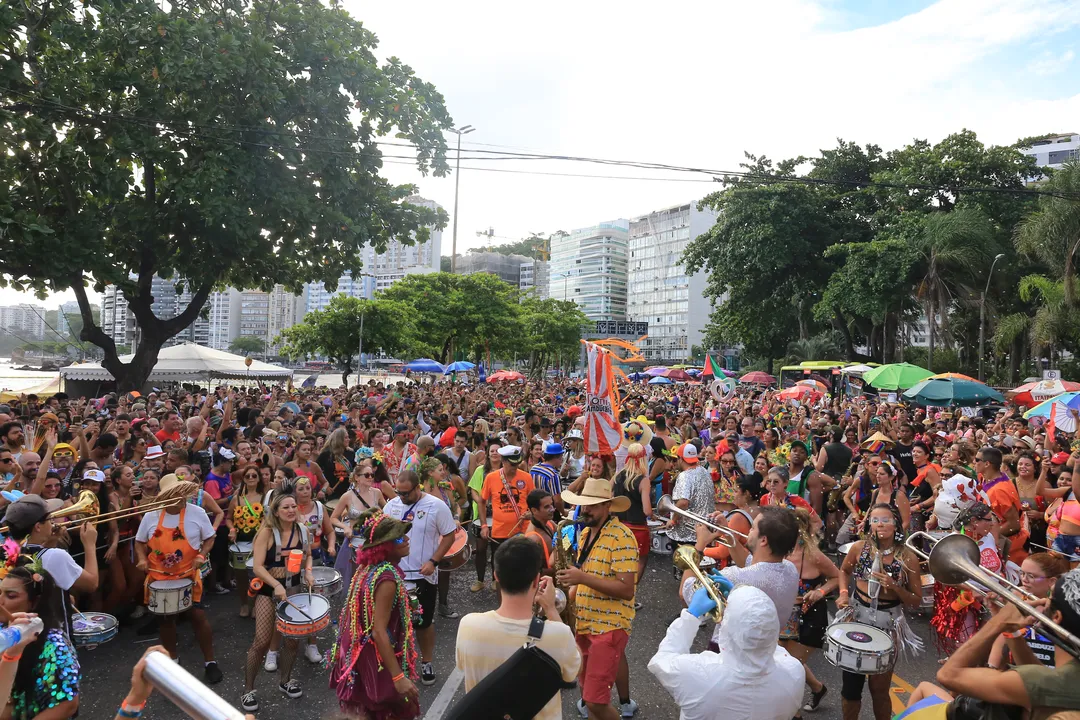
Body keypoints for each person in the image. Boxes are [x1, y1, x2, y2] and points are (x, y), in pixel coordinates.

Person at [455, 536, 581, 720]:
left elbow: (462, 666)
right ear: (536, 580)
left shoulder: (468, 625)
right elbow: (576, 671)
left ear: (496, 576)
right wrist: (552, 610)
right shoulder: (558, 634)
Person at [933, 567, 1080, 719]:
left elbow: (948, 675)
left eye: (1050, 596)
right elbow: (1038, 680)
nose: (1045, 599)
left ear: (1056, 617)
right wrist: (1012, 631)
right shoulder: (1060, 677)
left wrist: (999, 622)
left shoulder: (1052, 681)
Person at [648, 584, 804, 720]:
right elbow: (761, 639)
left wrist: (691, 615)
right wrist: (739, 602)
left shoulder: (698, 675)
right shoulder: (794, 671)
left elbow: (662, 659)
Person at [329, 509, 421, 720]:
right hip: (377, 656)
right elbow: (379, 631)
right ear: (384, 546)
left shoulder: (366, 568)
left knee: (369, 710)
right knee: (387, 709)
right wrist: (398, 677)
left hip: (362, 653)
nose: (406, 539)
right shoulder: (387, 577)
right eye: (399, 537)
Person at [558, 476, 638, 720]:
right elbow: (585, 576)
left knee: (594, 703)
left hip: (608, 628)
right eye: (585, 504)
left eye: (593, 505)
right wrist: (563, 599)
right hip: (584, 623)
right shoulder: (584, 535)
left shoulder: (622, 537)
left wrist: (581, 578)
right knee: (591, 699)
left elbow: (626, 589)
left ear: (608, 506)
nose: (587, 510)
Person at [837, 504, 923, 720]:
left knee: (879, 689)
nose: (880, 524)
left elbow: (915, 601)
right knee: (851, 687)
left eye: (886, 519)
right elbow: (844, 570)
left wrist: (895, 587)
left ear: (896, 524)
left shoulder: (908, 558)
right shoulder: (858, 548)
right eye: (875, 520)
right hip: (856, 618)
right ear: (869, 525)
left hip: (887, 623)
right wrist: (844, 592)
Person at [134, 473, 223, 683]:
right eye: (174, 494)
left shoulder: (197, 513)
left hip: (188, 576)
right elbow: (139, 542)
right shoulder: (151, 516)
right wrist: (141, 559)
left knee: (198, 617)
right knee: (166, 621)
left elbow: (210, 538)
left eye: (181, 493)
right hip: (159, 577)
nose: (180, 498)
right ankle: (173, 660)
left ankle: (210, 661)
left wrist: (201, 555)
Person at [241, 485, 315, 711]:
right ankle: (248, 690)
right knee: (261, 641)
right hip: (268, 590)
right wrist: (275, 585)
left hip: (293, 588)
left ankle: (285, 681)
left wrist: (309, 571)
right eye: (286, 507)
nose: (291, 510)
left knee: (292, 641)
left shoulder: (302, 530)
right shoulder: (266, 532)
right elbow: (257, 566)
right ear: (275, 510)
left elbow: (308, 555)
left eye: (294, 506)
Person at [382, 469, 457, 687]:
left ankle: (426, 661)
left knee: (423, 623)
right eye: (399, 492)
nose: (402, 497)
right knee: (393, 622)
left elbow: (450, 534)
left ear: (417, 488)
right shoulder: (391, 505)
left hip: (423, 576)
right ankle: (399, 662)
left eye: (406, 493)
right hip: (394, 575)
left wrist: (433, 561)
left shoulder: (436, 506)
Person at [690, 505, 801, 650]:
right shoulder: (790, 569)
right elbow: (750, 563)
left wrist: (699, 545)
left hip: (727, 651)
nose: (749, 531)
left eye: (753, 528)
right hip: (765, 652)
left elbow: (687, 591)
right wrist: (727, 532)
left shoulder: (734, 576)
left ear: (763, 540)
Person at [2, 494, 99, 638]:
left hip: (18, 631)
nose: (52, 523)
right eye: (49, 519)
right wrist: (90, 544)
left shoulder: (9, 551)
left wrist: (51, 542)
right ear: (38, 527)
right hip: (51, 637)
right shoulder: (55, 556)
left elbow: (40, 570)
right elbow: (91, 584)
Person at [0, 563, 79, 719]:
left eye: (11, 595)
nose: (0, 601)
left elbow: (67, 705)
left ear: (34, 602)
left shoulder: (55, 645)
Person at [782, 507, 839, 717]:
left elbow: (838, 576)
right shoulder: (779, 551)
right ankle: (817, 688)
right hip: (786, 615)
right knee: (781, 660)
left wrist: (820, 591)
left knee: (789, 666)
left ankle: (793, 713)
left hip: (811, 616)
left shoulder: (814, 555)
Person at [478, 445, 535, 575]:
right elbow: (481, 501)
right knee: (501, 569)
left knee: (523, 568)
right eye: (512, 464)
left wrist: (531, 513)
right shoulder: (491, 478)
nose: (515, 467)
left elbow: (534, 502)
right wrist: (484, 525)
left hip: (524, 530)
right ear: (503, 461)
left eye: (517, 464)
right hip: (501, 532)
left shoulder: (527, 477)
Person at [331, 460, 384, 591]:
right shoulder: (347, 496)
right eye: (367, 475)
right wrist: (345, 527)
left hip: (374, 540)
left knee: (373, 577)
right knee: (356, 578)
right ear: (356, 477)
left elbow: (389, 510)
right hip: (355, 541)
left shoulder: (377, 493)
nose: (371, 477)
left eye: (372, 475)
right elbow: (333, 518)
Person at [978, 446, 1029, 564]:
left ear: (987, 464)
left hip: (1011, 547)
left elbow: (1014, 524)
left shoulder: (1000, 490)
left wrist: (988, 537)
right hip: (994, 543)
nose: (973, 462)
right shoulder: (984, 478)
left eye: (977, 460)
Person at [613, 443, 653, 587]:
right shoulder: (643, 480)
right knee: (640, 560)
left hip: (619, 526)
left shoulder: (617, 476)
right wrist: (653, 515)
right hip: (637, 529)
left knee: (619, 560)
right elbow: (647, 511)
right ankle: (631, 592)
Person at [666, 443, 713, 549]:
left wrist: (673, 520)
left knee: (683, 565)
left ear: (680, 459)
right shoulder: (704, 471)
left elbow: (683, 502)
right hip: (704, 533)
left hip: (686, 535)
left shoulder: (684, 476)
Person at [525, 489, 557, 571]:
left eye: (552, 505)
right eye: (547, 507)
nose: (552, 509)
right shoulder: (533, 538)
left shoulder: (550, 523)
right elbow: (534, 572)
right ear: (534, 510)